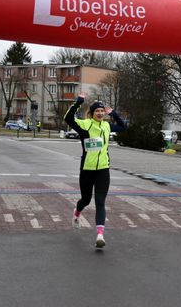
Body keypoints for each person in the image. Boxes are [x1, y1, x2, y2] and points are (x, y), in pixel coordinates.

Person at [64, 93, 127, 248]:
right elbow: (68, 118)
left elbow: (123, 127)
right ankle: (77, 212)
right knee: (86, 200)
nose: (100, 113)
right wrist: (78, 102)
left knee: (100, 201)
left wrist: (114, 114)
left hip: (103, 169)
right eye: (97, 111)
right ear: (91, 113)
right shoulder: (85, 125)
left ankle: (100, 235)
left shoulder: (106, 126)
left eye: (102, 111)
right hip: (87, 169)